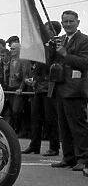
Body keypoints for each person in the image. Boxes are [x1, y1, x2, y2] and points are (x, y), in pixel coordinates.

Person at [50, 10, 88, 173]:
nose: (67, 25)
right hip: (60, 86)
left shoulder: (84, 40)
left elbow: (85, 63)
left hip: (75, 89)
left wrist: (65, 54)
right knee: (63, 125)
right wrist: (52, 49)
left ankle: (83, 158)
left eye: (71, 21)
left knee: (77, 125)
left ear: (78, 22)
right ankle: (68, 157)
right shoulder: (61, 40)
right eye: (65, 22)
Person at [24, 21, 61, 155]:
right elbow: (37, 67)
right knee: (36, 118)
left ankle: (54, 147)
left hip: (49, 88)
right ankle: (34, 145)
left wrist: (50, 48)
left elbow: (52, 64)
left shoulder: (56, 47)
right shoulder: (42, 46)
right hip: (39, 87)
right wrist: (33, 79)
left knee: (50, 119)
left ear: (53, 32)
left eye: (47, 30)